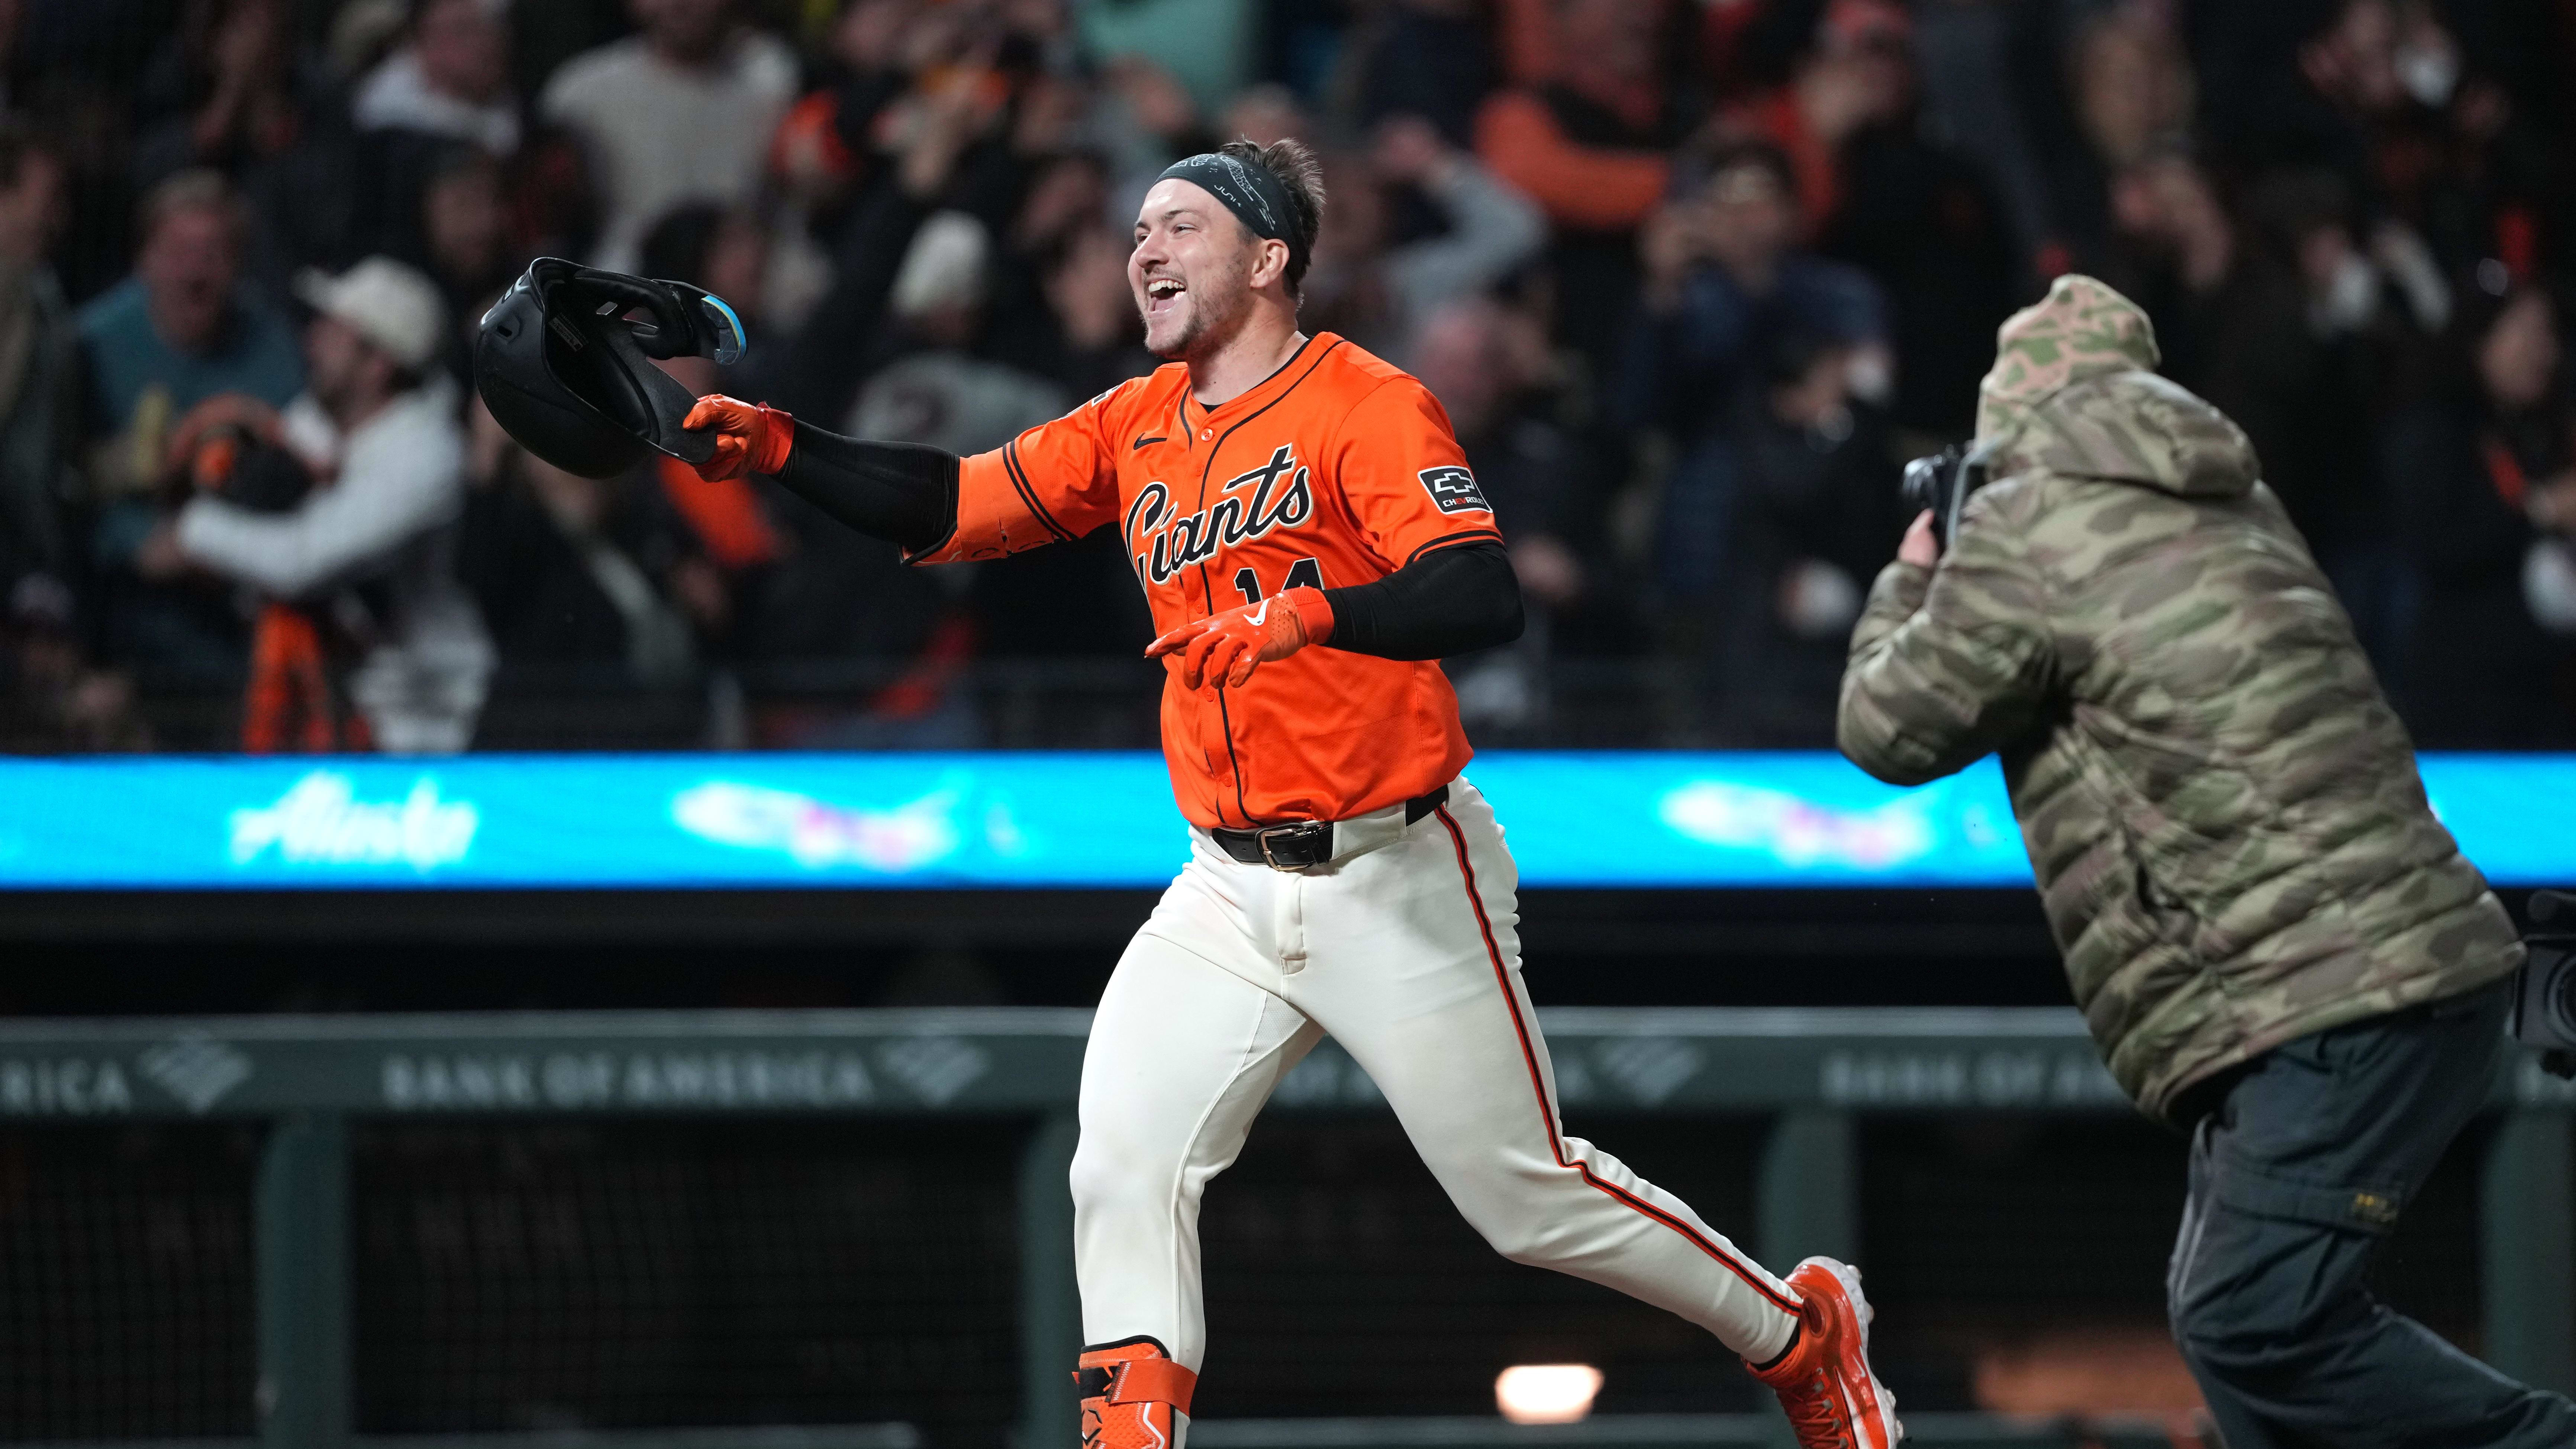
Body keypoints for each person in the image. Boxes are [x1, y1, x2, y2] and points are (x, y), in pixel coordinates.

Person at [677, 139, 1899, 1449]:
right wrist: (785, 447)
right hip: (1224, 883)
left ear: (1267, 260)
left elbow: (1475, 589)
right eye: (1135, 226)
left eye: (1178, 227)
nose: (1142, 248)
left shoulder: (1362, 402)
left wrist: (1307, 611)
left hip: (1395, 867)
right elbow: (957, 502)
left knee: (1525, 1200)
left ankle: (1797, 1331)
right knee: (1121, 1163)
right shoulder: (1133, 419)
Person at [1836, 274, 2572, 1447]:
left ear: (2009, 419)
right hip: (2399, 968)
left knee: (2247, 1321)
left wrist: (1914, 570)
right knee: (2232, 1320)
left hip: (2324, 989)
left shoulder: (2034, 522)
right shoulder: (2235, 497)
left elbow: (1886, 727)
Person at [152, 257, 491, 752]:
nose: (315, 339)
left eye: (337, 332)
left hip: (422, 715)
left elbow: (301, 561)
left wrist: (191, 531)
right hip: (327, 692)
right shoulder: (324, 412)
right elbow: (257, 499)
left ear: (378, 364)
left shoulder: (427, 454)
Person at [538, 0, 797, 274]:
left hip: (736, 297)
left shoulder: (766, 91)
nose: (680, 4)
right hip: (612, 291)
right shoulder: (580, 95)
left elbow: (787, 225)